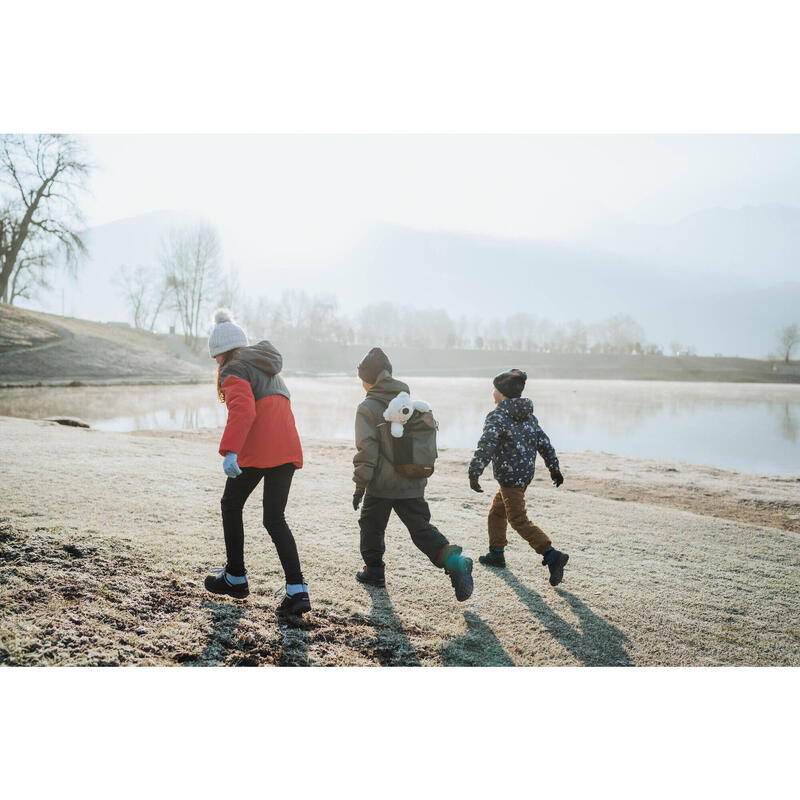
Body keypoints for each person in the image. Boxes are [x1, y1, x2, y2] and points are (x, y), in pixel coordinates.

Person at [203, 308, 311, 617]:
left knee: (230, 504)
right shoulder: (268, 366)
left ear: (220, 354)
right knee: (274, 518)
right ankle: (297, 591)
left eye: (215, 359)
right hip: (287, 447)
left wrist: (230, 452)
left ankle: (236, 577)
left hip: (258, 447)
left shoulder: (233, 369)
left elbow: (244, 412)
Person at [352, 347, 474, 601]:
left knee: (371, 527)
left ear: (367, 379)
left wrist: (360, 485)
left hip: (382, 485)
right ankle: (455, 562)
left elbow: (367, 450)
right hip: (412, 480)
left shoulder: (368, 406)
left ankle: (373, 571)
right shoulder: (408, 402)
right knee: (420, 528)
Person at [468, 369, 569, 586]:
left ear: (501, 393)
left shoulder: (498, 415)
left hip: (509, 477)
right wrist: (554, 468)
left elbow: (487, 445)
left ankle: (551, 554)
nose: (492, 392)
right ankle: (496, 553)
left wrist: (474, 472)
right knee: (497, 513)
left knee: (518, 519)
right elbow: (545, 443)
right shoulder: (529, 416)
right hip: (523, 475)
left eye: (495, 388)